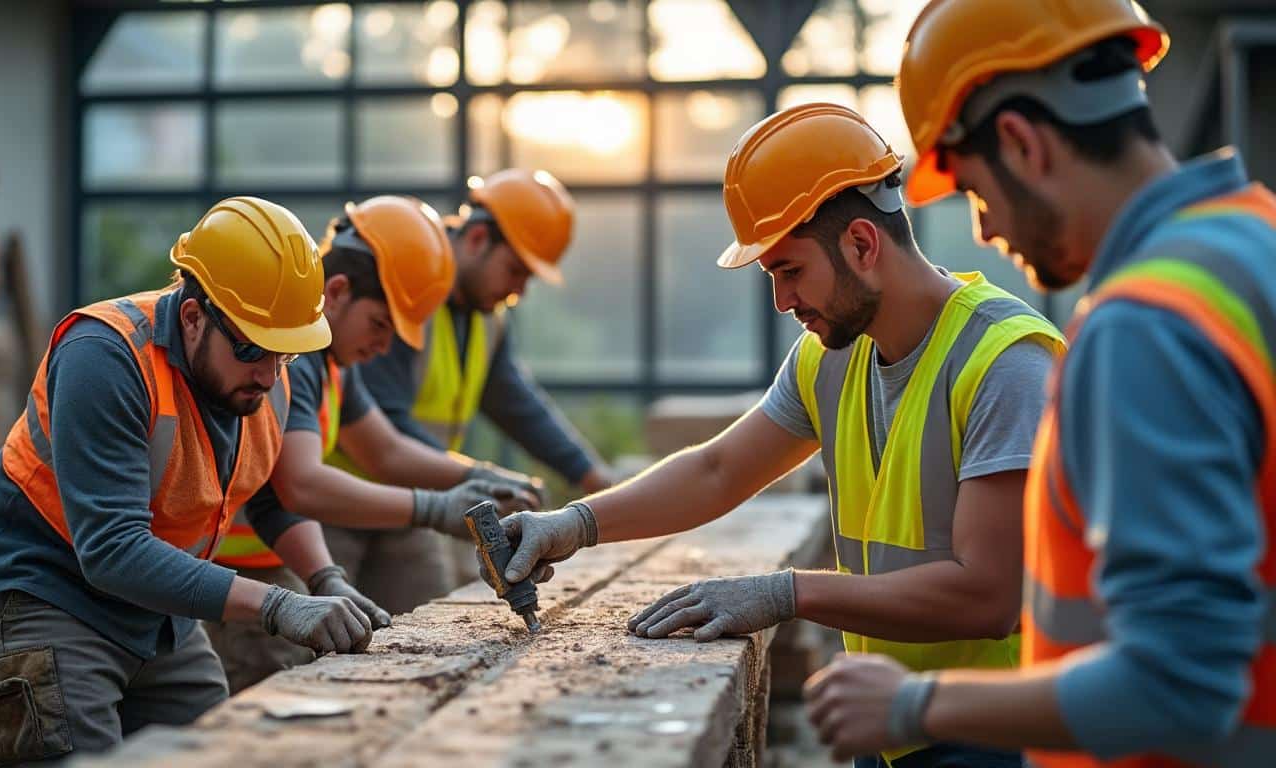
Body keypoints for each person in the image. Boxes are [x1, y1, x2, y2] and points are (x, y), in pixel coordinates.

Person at [492, 105, 1063, 768]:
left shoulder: (1005, 363)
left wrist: (786, 593)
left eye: (789, 271)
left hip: (996, 736)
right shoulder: (832, 356)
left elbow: (987, 596)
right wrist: (574, 524)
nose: (782, 303)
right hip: (887, 728)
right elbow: (718, 471)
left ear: (861, 245)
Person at [804, 2, 1276, 766]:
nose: (987, 231)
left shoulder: (1146, 325)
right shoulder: (1254, 244)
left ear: (1021, 143)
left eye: (976, 192)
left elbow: (1179, 684)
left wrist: (913, 704)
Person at [0, 198, 376, 764]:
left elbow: (269, 499)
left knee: (212, 750)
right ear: (192, 317)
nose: (267, 372)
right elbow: (110, 550)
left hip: (159, 611)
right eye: (253, 347)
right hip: (52, 595)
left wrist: (326, 579)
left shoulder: (265, 376)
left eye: (283, 354)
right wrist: (278, 604)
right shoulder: (104, 357)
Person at [206, 195, 539, 692]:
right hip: (236, 574)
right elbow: (301, 484)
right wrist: (432, 508)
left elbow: (384, 450)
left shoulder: (334, 363)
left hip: (273, 562)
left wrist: (478, 477)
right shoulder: (297, 359)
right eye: (380, 325)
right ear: (336, 292)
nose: (384, 347)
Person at [327, 169, 613, 611]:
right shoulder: (404, 292)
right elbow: (387, 426)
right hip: (337, 501)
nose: (519, 289)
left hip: (417, 503)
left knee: (424, 618)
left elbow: (517, 404)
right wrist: (481, 478)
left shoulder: (487, 319)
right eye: (515, 269)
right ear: (478, 238)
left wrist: (594, 478)